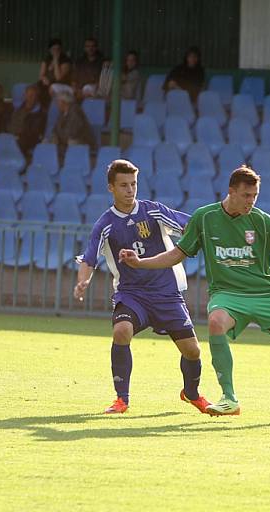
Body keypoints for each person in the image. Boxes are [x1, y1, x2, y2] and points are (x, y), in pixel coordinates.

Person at [118, 165, 270, 423]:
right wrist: (140, 262)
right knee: (216, 322)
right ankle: (229, 398)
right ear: (231, 191)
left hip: (265, 294)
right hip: (227, 293)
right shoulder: (205, 217)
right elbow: (176, 255)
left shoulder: (261, 220)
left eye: (255, 196)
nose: (251, 201)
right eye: (246, 195)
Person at [74, 159, 211, 415]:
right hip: (132, 294)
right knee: (121, 331)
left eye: (134, 184)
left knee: (192, 351)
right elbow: (89, 257)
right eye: (124, 185)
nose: (130, 190)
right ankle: (121, 399)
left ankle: (191, 394)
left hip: (166, 294)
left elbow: (190, 225)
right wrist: (84, 281)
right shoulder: (104, 224)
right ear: (111, 188)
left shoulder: (153, 211)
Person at [48, 91, 95, 159]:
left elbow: (72, 133)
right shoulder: (62, 113)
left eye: (58, 102)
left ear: (64, 102)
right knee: (50, 140)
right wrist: (55, 136)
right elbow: (55, 129)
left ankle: (74, 161)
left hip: (82, 141)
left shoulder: (75, 112)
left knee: (72, 141)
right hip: (66, 140)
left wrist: (60, 135)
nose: (57, 104)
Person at [7, 84, 47, 156]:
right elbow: (11, 124)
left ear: (37, 97)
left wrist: (18, 135)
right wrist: (12, 134)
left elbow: (35, 132)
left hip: (28, 140)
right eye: (28, 94)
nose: (30, 97)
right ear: (25, 95)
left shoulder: (41, 113)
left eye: (33, 95)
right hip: (13, 137)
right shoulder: (17, 109)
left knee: (19, 143)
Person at [38, 38, 73, 108]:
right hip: (48, 83)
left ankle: (49, 109)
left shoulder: (66, 60)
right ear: (50, 50)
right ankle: (41, 109)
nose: (56, 51)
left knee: (50, 88)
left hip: (62, 84)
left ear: (61, 49)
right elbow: (41, 75)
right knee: (37, 87)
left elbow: (58, 78)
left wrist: (56, 61)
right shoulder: (47, 59)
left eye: (58, 49)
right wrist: (44, 79)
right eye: (53, 49)